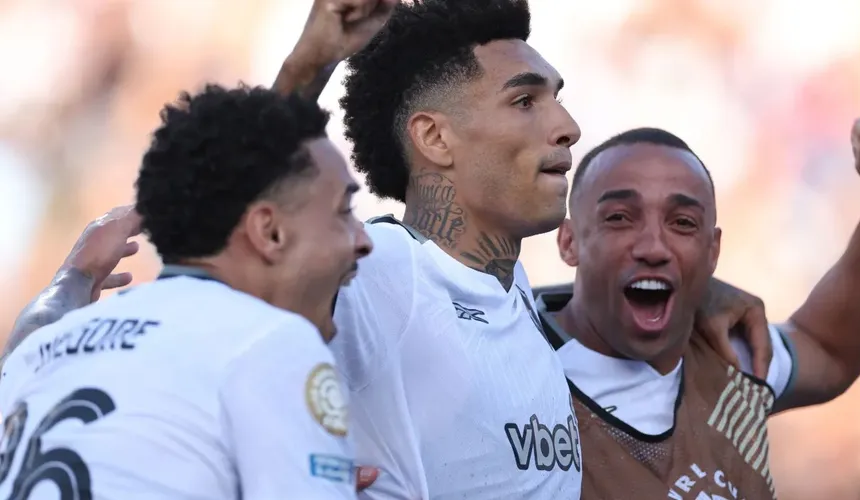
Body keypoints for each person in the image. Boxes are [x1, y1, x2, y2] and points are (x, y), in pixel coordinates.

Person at [5, 1, 776, 498]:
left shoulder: (521, 307)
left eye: (558, 95)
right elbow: (248, 219)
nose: (568, 124)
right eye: (526, 99)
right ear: (434, 138)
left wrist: (698, 285)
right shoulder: (379, 273)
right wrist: (308, 64)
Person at [0, 85, 374, 499]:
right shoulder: (270, 342)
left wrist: (74, 276)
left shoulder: (40, 351)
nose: (363, 240)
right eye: (343, 212)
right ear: (269, 231)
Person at [534, 117, 860, 499]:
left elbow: (829, 349)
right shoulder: (514, 366)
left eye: (683, 223)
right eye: (620, 218)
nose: (653, 246)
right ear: (569, 242)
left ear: (713, 251)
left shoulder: (730, 354)